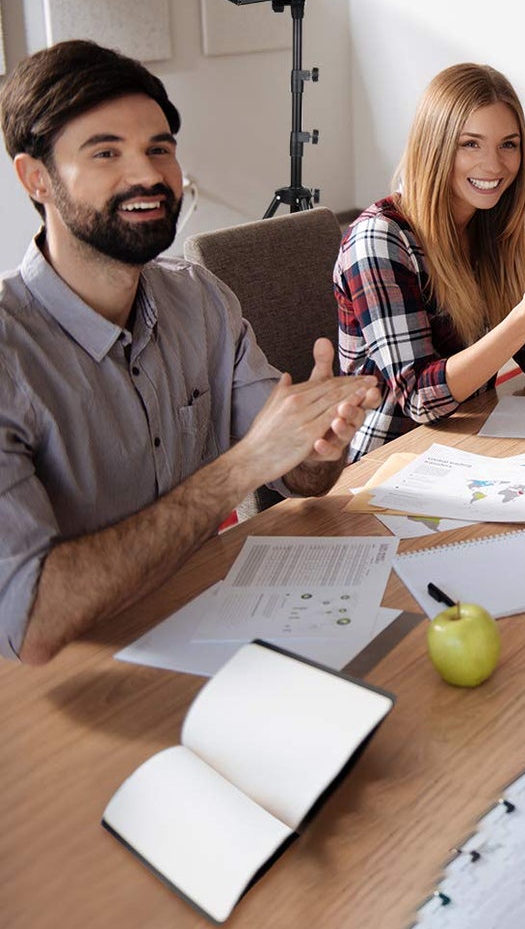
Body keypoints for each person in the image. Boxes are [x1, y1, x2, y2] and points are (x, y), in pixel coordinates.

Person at [0, 40, 379, 666]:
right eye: (105, 153)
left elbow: (300, 477)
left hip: (211, 624)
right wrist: (239, 468)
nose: (147, 175)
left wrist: (318, 442)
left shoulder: (199, 298)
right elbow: (31, 620)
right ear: (36, 178)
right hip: (71, 686)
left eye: (159, 149)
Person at [335, 62, 525, 459]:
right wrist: (522, 320)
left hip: (467, 441)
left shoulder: (488, 227)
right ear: (434, 146)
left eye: (508, 144)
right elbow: (420, 400)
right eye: (471, 144)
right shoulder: (380, 240)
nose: (494, 165)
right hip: (386, 462)